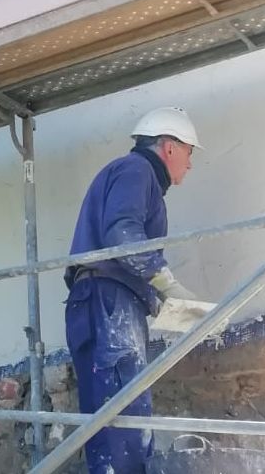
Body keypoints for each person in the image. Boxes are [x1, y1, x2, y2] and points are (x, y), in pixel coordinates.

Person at [64, 106, 204, 473]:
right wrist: (168, 284)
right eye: (190, 152)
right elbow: (123, 235)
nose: (190, 164)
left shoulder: (132, 176)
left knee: (116, 420)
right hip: (108, 301)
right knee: (122, 421)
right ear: (169, 147)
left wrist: (156, 297)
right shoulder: (136, 170)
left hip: (105, 299)